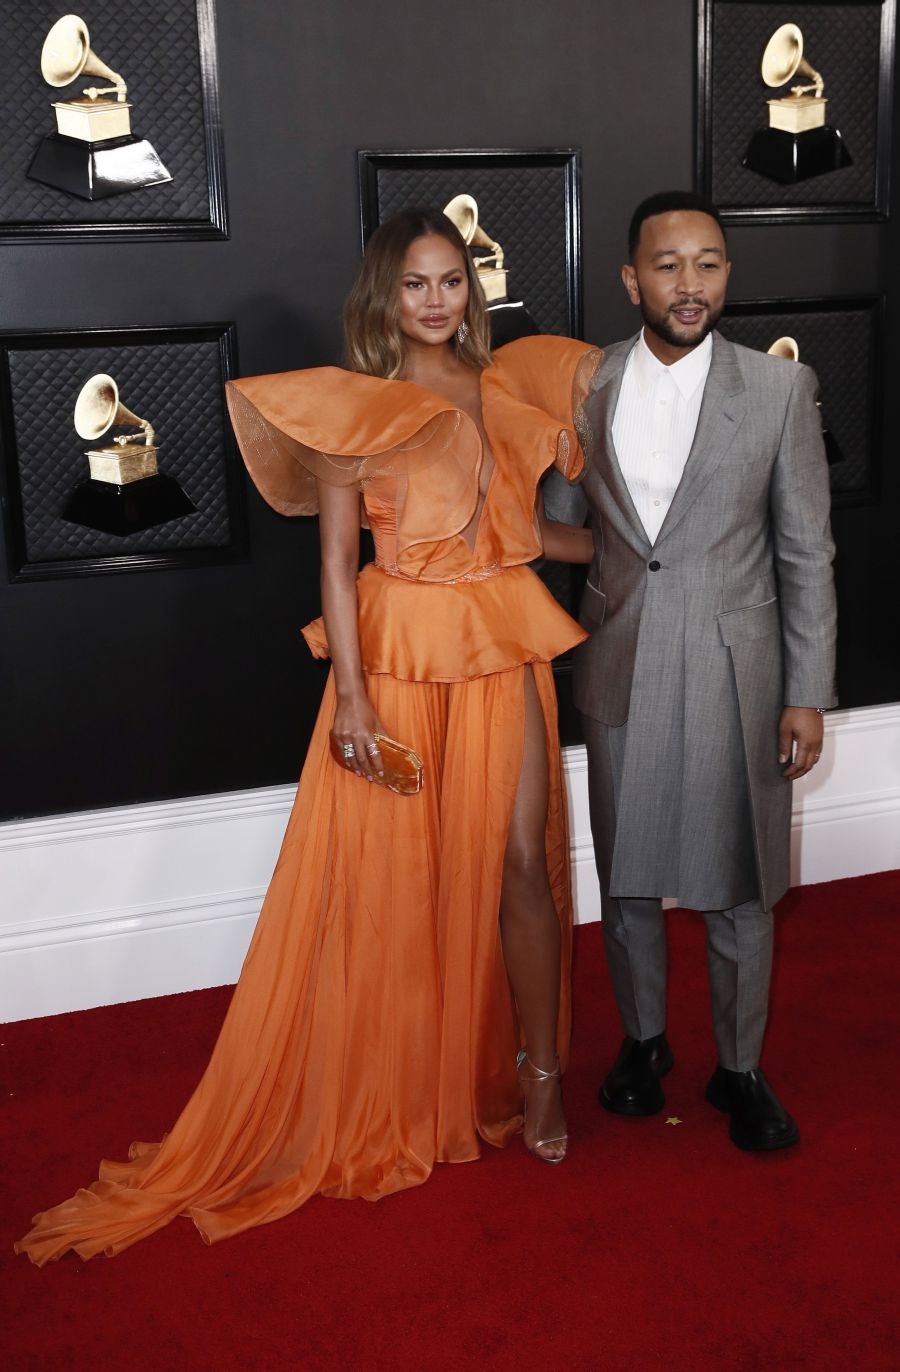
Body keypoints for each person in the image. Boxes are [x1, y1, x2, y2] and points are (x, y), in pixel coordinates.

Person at [16, 207, 599, 1264]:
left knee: (524, 864)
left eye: (451, 281)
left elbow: (524, 532)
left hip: (502, 642)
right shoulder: (354, 409)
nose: (436, 301)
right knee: (403, 876)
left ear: (471, 288)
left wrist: (634, 549)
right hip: (400, 656)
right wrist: (357, 704)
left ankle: (541, 1071)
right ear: (383, 296)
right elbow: (335, 566)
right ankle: (407, 1083)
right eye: (415, 284)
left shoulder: (508, 388)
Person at [572, 190, 837, 1151]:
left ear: (727, 274)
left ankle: (739, 1066)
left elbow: (806, 550)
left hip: (741, 668)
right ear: (631, 277)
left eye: (710, 263)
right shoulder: (585, 383)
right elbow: (569, 524)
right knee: (626, 875)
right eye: (670, 265)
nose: (691, 285)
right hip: (621, 654)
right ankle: (643, 1043)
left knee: (741, 880)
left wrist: (806, 690)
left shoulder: (776, 392)